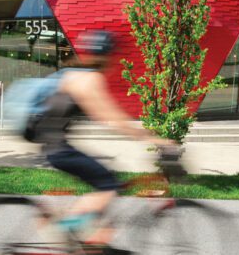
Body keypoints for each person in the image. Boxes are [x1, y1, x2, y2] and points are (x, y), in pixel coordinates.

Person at [34, 30, 172, 250]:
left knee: (106, 179)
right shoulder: (89, 79)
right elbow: (113, 120)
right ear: (109, 56)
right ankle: (63, 229)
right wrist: (157, 140)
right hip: (58, 149)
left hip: (54, 145)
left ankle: (86, 237)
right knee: (107, 184)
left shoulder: (76, 74)